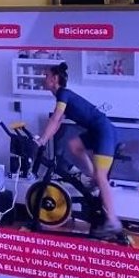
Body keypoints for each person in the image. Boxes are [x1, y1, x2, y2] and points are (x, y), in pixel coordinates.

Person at [34, 62, 122, 239]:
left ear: (55, 79)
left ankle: (113, 221)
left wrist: (42, 140)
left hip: (103, 131)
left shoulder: (63, 94)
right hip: (96, 130)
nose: (44, 79)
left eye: (46, 76)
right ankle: (93, 179)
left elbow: (55, 119)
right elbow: (57, 123)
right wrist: (43, 140)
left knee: (102, 176)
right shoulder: (63, 97)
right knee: (74, 145)